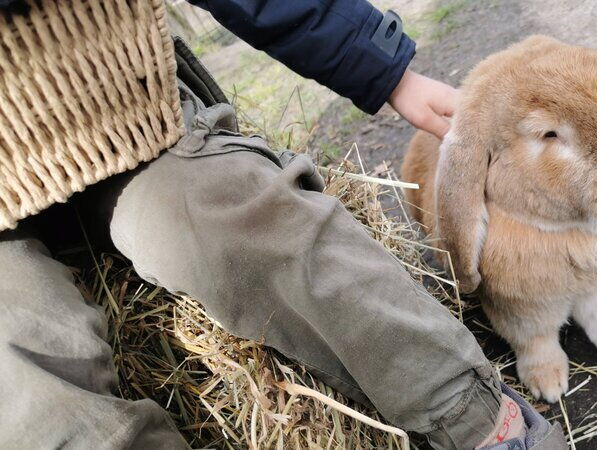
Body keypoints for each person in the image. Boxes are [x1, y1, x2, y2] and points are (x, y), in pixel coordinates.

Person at [0, 0, 567, 449]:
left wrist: (386, 71)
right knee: (23, 381)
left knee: (234, 214)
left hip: (122, 116)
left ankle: (468, 414)